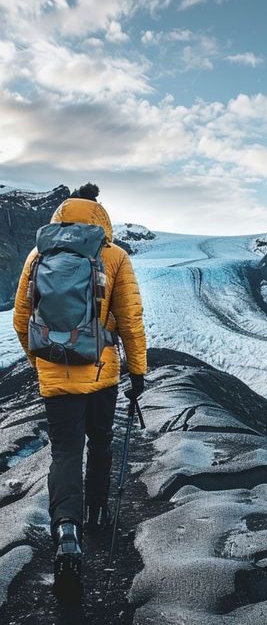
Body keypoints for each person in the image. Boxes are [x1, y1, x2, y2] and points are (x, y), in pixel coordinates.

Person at [12, 182, 147, 601]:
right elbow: (130, 319)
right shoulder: (114, 255)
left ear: (60, 215)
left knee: (66, 452)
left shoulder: (38, 256)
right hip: (101, 374)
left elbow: (21, 319)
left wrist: (42, 364)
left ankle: (66, 530)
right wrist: (137, 370)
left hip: (55, 376)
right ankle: (98, 511)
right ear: (100, 214)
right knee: (100, 442)